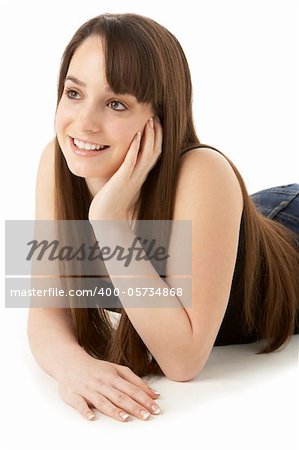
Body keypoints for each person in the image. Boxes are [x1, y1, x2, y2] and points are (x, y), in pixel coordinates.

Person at [27, 13, 299, 424]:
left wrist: (108, 221)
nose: (83, 123)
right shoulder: (59, 162)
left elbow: (183, 359)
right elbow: (46, 310)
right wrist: (73, 367)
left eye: (116, 103)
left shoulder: (203, 171)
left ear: (159, 118)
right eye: (74, 92)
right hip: (246, 223)